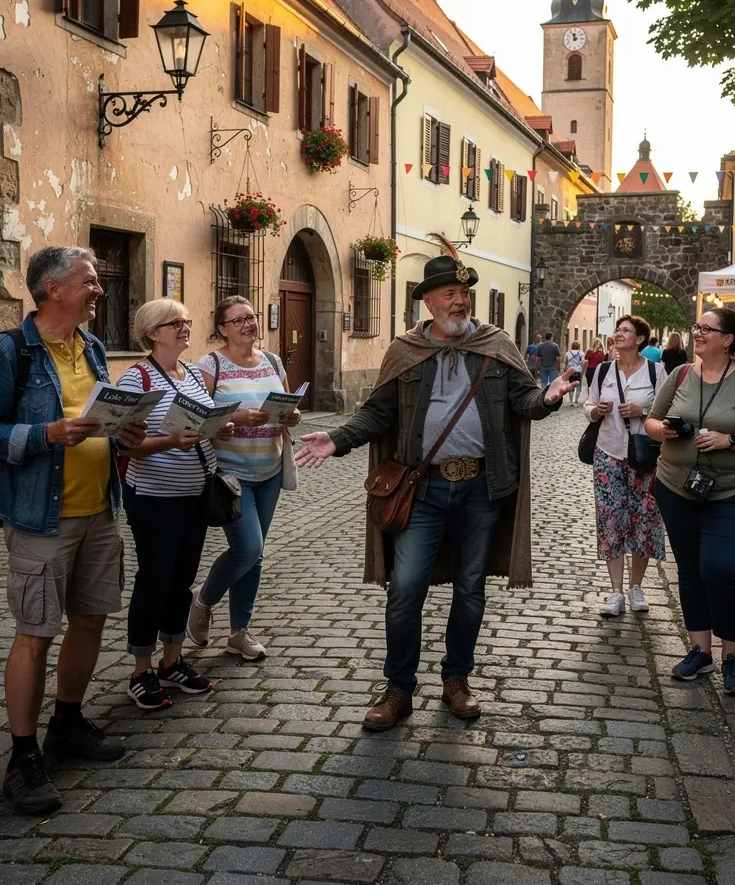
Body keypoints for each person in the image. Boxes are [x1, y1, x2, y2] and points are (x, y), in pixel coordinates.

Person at [295, 238, 573, 731]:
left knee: (470, 589)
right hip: (421, 490)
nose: (460, 301)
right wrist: (336, 440)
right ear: (429, 301)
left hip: (483, 489)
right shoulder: (406, 350)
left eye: (464, 292)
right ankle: (399, 689)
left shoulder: (496, 344)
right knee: (405, 588)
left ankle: (456, 680)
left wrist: (547, 397)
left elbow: (523, 403)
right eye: (449, 293)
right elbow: (376, 415)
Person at [0, 246, 147, 814]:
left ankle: (66, 722)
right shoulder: (8, 351)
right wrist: (45, 434)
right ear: (54, 289)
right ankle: (22, 757)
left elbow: (99, 419)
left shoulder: (91, 347)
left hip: (98, 510)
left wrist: (125, 434)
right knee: (36, 631)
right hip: (40, 518)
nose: (99, 289)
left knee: (90, 620)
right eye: (90, 281)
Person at [116, 300, 234, 711]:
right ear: (152, 332)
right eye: (175, 323)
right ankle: (141, 670)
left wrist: (221, 425)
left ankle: (172, 661)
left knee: (182, 580)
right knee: (154, 580)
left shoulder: (191, 376)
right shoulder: (136, 380)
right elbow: (128, 446)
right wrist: (170, 441)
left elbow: (200, 425)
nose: (185, 328)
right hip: (154, 497)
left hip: (194, 493)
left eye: (187, 321)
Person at [644, 307, 735, 695]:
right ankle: (700, 650)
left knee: (721, 568)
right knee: (691, 568)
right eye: (696, 327)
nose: (697, 333)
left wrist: (730, 440)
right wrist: (662, 430)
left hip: (732, 489)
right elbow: (651, 421)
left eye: (706, 329)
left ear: (728, 340)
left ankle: (733, 656)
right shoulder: (680, 374)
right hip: (675, 486)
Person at [189, 296, 301, 660]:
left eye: (251, 318)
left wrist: (291, 417)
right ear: (222, 328)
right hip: (231, 474)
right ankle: (203, 600)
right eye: (238, 320)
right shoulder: (210, 365)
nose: (248, 324)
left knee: (255, 554)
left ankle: (239, 632)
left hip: (269, 468)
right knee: (248, 548)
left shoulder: (272, 360)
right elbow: (197, 423)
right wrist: (235, 420)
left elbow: (289, 406)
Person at [584, 314, 666, 616]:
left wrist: (642, 410)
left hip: (644, 456)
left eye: (626, 331)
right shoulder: (604, 369)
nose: (619, 335)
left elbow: (667, 409)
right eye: (617, 330)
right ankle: (616, 591)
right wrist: (596, 410)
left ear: (640, 339)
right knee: (610, 520)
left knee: (644, 519)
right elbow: (587, 403)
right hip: (607, 454)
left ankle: (636, 588)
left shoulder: (657, 372)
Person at [565, 339, 586, 406]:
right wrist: (581, 366)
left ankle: (571, 401)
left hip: (570, 371)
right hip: (578, 371)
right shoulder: (581, 353)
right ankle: (576, 401)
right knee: (578, 386)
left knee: (571, 386)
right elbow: (583, 362)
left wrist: (565, 370)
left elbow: (566, 363)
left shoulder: (568, 353)